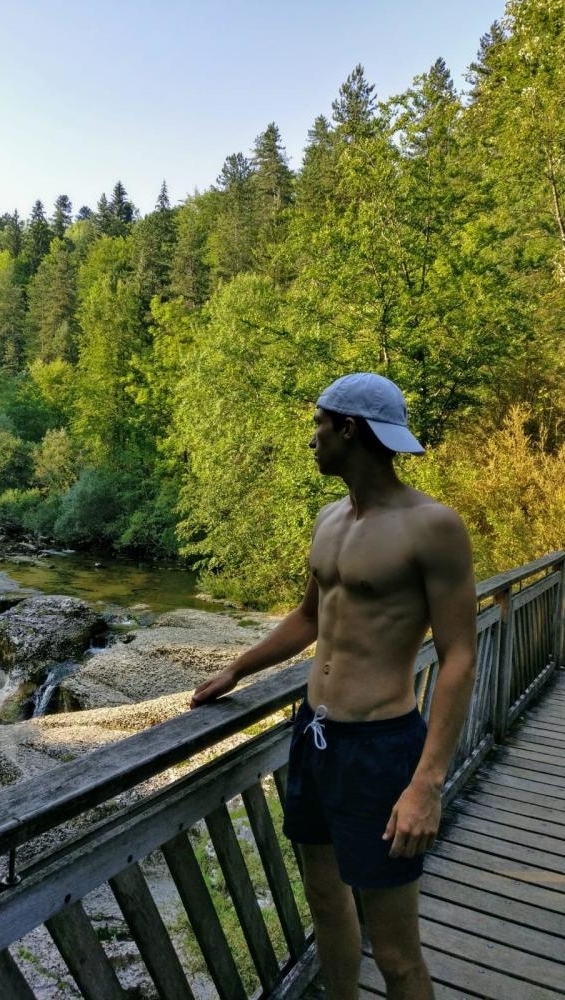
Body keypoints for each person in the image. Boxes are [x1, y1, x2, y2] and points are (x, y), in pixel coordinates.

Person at [190, 372, 477, 1000]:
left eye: (319, 424)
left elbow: (459, 656)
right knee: (325, 904)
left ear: (349, 429)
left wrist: (426, 785)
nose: (312, 438)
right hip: (314, 738)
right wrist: (239, 668)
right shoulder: (329, 519)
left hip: (380, 750)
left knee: (396, 951)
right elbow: (309, 618)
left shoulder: (432, 526)